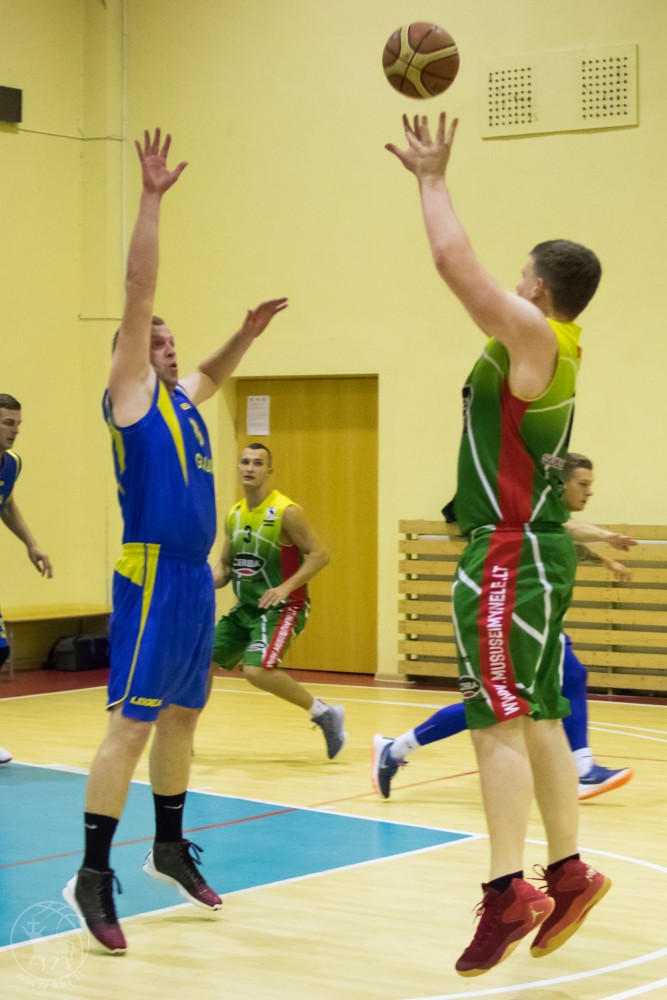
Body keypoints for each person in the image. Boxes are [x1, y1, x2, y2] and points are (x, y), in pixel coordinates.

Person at [387, 113, 609, 977]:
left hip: (509, 554)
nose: (511, 288)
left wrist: (431, 178)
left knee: (495, 718)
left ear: (539, 291)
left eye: (521, 278)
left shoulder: (532, 338)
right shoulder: (555, 346)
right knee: (541, 712)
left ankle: (506, 890)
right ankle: (568, 870)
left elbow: (453, 265)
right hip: (535, 546)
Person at [62, 129, 287, 955]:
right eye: (155, 342)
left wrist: (245, 333)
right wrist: (152, 199)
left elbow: (213, 374)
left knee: (183, 719)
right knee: (131, 725)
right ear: (129, 356)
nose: (168, 348)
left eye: (169, 342)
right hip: (153, 575)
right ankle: (90, 874)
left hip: (193, 580)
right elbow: (138, 287)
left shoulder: (184, 403)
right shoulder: (131, 397)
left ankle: (166, 846)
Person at [373, 452, 635, 801]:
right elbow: (569, 530)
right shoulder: (527, 509)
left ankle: (582, 768)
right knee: (500, 705)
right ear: (559, 484)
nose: (590, 492)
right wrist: (605, 535)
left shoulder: (547, 517)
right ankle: (396, 748)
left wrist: (606, 561)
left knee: (567, 679)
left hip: (534, 617)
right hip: (505, 612)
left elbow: (567, 539)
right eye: (583, 484)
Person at [208, 443, 345, 758]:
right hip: (246, 608)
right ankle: (184, 731)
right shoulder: (234, 514)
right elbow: (225, 568)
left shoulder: (286, 511)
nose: (250, 468)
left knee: (255, 671)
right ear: (238, 468)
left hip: (284, 608)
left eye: (258, 463)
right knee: (203, 662)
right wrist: (196, 584)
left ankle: (324, 713)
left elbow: (320, 554)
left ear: (269, 470)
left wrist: (286, 586)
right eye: (245, 462)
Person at [0, 393, 53, 763]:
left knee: (0, 649)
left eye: (18, 424)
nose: (15, 431)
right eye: (8, 423)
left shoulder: (12, 464)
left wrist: (31, 543)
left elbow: (5, 503)